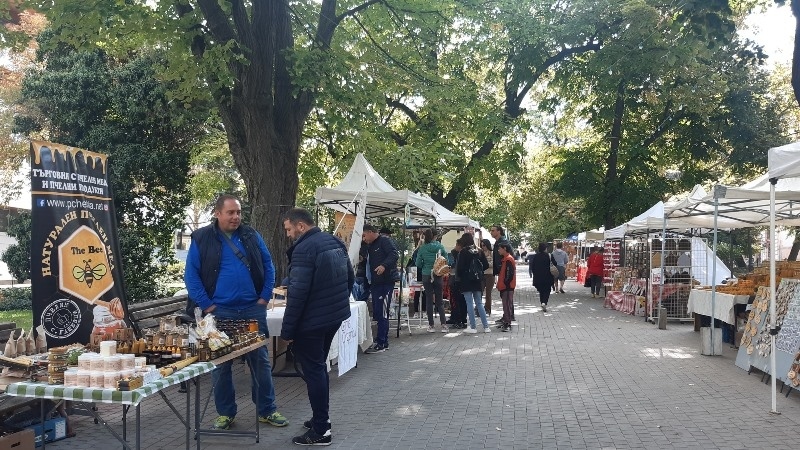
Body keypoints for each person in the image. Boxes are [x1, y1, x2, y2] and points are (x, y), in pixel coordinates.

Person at [184, 194, 287, 431]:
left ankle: (267, 410)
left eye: (238, 212)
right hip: (222, 311)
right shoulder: (202, 238)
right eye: (231, 212)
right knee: (221, 364)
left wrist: (264, 297)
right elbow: (191, 275)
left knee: (260, 361)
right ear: (217, 214)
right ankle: (225, 413)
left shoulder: (251, 234)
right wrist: (208, 305)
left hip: (253, 309)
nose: (236, 217)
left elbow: (268, 264)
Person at [281, 208, 353, 446]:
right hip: (333, 315)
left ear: (301, 226)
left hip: (312, 322)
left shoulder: (304, 249)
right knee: (318, 368)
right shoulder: (334, 241)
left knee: (314, 371)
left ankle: (321, 429)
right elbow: (349, 278)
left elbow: (297, 295)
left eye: (289, 229)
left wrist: (288, 331)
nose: (289, 234)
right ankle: (320, 419)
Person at [362, 224, 399, 353]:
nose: (364, 238)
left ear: (371, 232)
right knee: (378, 312)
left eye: (365, 235)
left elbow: (394, 254)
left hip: (386, 282)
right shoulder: (370, 245)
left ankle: (382, 342)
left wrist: (384, 265)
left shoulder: (384, 241)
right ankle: (381, 341)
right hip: (375, 283)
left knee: (383, 312)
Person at [455, 233, 491, 333]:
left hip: (466, 280)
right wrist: (478, 271)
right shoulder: (479, 251)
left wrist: (461, 277)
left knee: (469, 303)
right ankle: (486, 327)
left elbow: (460, 267)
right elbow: (486, 265)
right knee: (479, 303)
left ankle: (473, 327)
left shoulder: (463, 252)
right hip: (478, 280)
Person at [416, 228, 449, 332]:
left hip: (426, 275)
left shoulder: (422, 248)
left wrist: (425, 265)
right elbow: (446, 260)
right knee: (439, 301)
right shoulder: (440, 246)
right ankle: (443, 324)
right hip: (438, 274)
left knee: (429, 300)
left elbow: (418, 263)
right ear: (435, 236)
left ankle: (431, 326)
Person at [446, 240, 468, 329]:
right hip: (461, 280)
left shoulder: (457, 254)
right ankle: (460, 318)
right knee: (461, 300)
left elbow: (452, 264)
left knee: (456, 300)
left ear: (459, 246)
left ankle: (457, 319)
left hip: (456, 280)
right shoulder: (466, 254)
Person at [496, 243, 516, 332]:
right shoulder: (506, 259)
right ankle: (506, 321)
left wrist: (506, 284)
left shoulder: (508, 259)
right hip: (505, 286)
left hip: (507, 287)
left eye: (500, 249)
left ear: (504, 248)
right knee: (506, 305)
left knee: (507, 305)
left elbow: (510, 274)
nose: (498, 250)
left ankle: (508, 323)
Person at [532, 243, 556, 312]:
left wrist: (535, 274)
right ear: (545, 248)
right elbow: (555, 263)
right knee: (547, 290)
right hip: (547, 276)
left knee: (541, 291)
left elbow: (533, 267)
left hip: (538, 277)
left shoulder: (536, 256)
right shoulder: (549, 255)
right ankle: (544, 302)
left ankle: (542, 302)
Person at [480, 239, 494, 315]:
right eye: (481, 245)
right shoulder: (481, 253)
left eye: (484, 245)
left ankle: (487, 309)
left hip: (490, 275)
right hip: (482, 274)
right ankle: (480, 309)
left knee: (488, 293)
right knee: (480, 292)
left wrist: (486, 264)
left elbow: (493, 264)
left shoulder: (492, 253)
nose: (483, 247)